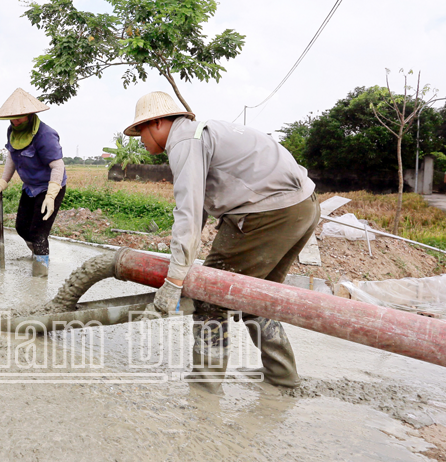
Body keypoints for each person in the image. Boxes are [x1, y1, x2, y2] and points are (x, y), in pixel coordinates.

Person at [125, 91, 320, 395]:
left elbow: (187, 211)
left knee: (210, 294)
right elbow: (200, 207)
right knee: (255, 297)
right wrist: (186, 257)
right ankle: (282, 375)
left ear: (159, 122)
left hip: (268, 212)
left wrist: (175, 280)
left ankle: (205, 383)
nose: (140, 140)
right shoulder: (202, 134)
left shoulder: (184, 142)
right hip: (302, 206)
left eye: (141, 132)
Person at [0, 88, 67, 277]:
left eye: (20, 118)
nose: (15, 122)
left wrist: (51, 195)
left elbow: (58, 166)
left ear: (30, 115)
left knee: (39, 234)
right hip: (30, 187)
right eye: (12, 119)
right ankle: (38, 256)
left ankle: (40, 278)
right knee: (22, 228)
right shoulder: (12, 131)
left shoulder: (45, 135)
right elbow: (12, 156)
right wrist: (3, 180)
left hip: (49, 187)